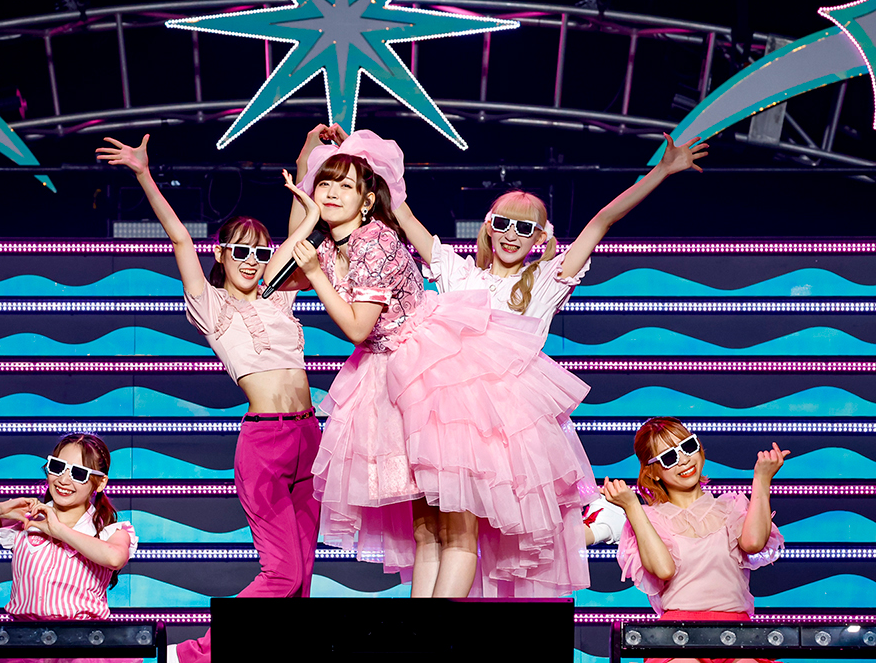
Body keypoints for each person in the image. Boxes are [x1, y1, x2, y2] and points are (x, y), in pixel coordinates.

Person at [271, 127, 597, 597]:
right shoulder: (331, 247)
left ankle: (436, 633)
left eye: (346, 185)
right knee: (425, 529)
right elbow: (277, 272)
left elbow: (358, 328)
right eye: (325, 184)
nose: (332, 192)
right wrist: (306, 172)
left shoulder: (375, 241)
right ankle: (418, 632)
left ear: (367, 201)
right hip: (386, 378)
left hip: (437, 374)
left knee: (457, 528)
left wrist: (317, 275)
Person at [393, 132, 708, 549]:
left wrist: (662, 172)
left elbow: (602, 221)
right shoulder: (460, 274)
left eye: (524, 228)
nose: (511, 234)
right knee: (440, 536)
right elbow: (405, 217)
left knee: (502, 542)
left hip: (516, 429)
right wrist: (365, 161)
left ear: (539, 237)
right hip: (454, 424)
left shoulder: (546, 280)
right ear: (488, 228)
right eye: (503, 223)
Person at [97, 136, 323, 660]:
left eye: (260, 252)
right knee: (282, 573)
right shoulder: (212, 306)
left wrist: (305, 157)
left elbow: (298, 231)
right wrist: (143, 174)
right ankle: (194, 653)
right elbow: (180, 238)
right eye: (239, 250)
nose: (251, 260)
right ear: (221, 254)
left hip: (311, 438)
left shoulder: (279, 294)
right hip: (265, 444)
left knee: (303, 578)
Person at [602, 417, 786, 663]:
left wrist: (762, 479)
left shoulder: (731, 506)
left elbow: (754, 544)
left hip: (738, 634)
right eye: (669, 457)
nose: (684, 460)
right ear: (652, 472)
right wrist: (632, 507)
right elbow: (664, 569)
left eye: (688, 446)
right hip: (677, 638)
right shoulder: (648, 518)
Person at [0, 433, 138, 628]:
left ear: (100, 483)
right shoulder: (26, 522)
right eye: (57, 467)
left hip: (82, 643)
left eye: (79, 473)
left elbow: (114, 558)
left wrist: (58, 530)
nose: (63, 480)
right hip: (22, 641)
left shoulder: (110, 531)